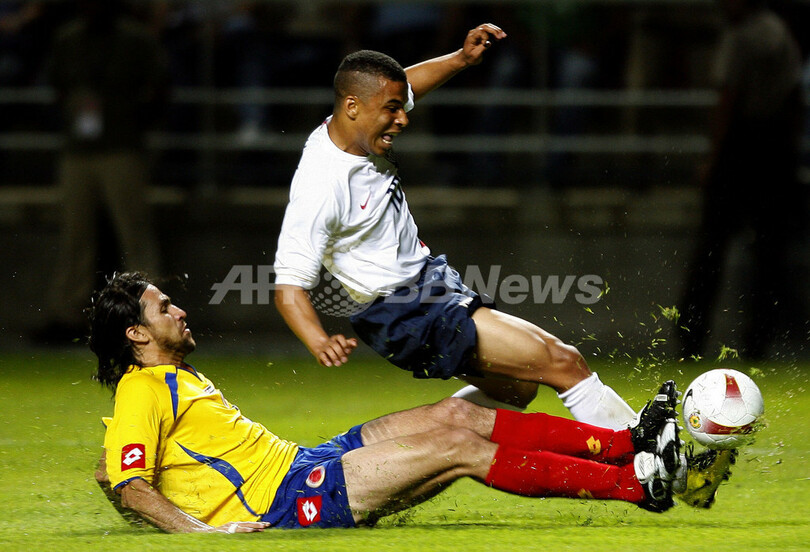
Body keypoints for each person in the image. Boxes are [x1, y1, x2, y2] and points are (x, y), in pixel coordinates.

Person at [91, 272, 723, 533]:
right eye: (163, 308)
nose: (179, 310)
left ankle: (631, 443)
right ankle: (638, 486)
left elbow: (108, 471)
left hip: (304, 463)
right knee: (459, 447)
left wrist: (130, 490)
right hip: (288, 500)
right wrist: (207, 534)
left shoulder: (171, 379)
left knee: (457, 413)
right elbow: (130, 485)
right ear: (137, 335)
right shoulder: (142, 387)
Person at [273, 23, 635, 429]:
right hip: (405, 311)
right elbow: (288, 287)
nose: (402, 119)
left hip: (426, 290)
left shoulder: (350, 125)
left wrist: (461, 59)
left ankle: (428, 436)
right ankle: (645, 454)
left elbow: (409, 84)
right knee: (563, 361)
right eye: (392, 109)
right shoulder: (321, 185)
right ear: (353, 106)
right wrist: (319, 341)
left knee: (518, 389)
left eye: (401, 106)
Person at [678, 0, 806, 360]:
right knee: (769, 253)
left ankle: (691, 337)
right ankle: (758, 340)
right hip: (776, 147)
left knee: (711, 249)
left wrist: (713, 156)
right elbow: (794, 95)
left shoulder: (741, 36)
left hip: (741, 145)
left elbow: (728, 96)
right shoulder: (780, 32)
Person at [35, 0, 168, 343]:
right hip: (79, 147)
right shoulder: (69, 38)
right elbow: (56, 85)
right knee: (75, 236)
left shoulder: (135, 39)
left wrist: (135, 122)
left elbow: (160, 88)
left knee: (134, 235)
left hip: (122, 146)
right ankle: (66, 315)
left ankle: (155, 316)